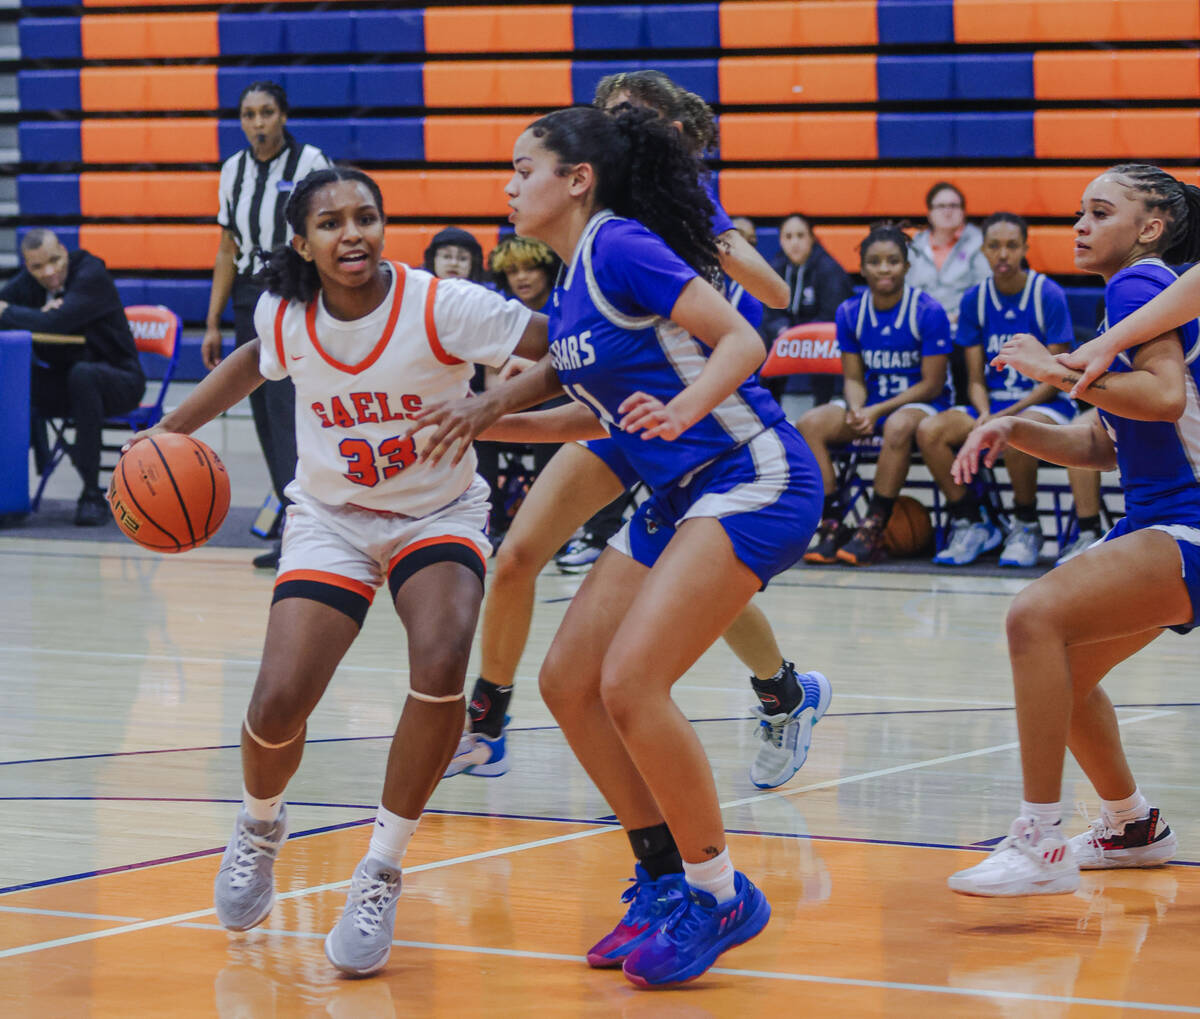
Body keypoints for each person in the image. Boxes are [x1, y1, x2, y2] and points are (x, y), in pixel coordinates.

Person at [128, 167, 548, 971]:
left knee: (442, 659)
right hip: (331, 518)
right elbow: (255, 358)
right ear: (302, 242)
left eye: (365, 217)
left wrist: (492, 406)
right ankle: (258, 821)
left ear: (385, 225)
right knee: (277, 699)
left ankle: (381, 866)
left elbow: (562, 349)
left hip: (435, 513)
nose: (350, 233)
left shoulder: (442, 303)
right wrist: (167, 433)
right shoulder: (287, 315)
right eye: (330, 224)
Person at [480, 103, 823, 987]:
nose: (509, 184)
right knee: (566, 680)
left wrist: (685, 407)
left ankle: (718, 890)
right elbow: (590, 416)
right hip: (682, 491)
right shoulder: (565, 283)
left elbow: (744, 337)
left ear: (577, 179)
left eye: (525, 168)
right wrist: (478, 421)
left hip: (754, 472)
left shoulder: (620, 244)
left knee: (631, 680)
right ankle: (664, 876)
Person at [438, 71, 828, 796]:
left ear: (666, 134)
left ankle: (780, 692)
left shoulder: (660, 219)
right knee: (519, 552)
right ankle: (487, 724)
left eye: (628, 120)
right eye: (605, 116)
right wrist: (482, 418)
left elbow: (770, 301)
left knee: (697, 567)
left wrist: (713, 243)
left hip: (696, 400)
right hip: (625, 405)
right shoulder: (581, 246)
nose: (613, 127)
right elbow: (571, 362)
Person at [947, 163, 1198, 897]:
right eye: (1077, 212)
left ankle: (1039, 839)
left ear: (1150, 227)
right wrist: (1017, 427)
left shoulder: (1137, 284)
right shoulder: (1133, 295)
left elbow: (1161, 395)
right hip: (1159, 517)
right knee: (1068, 677)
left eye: (1099, 211)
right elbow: (1107, 437)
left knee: (1034, 616)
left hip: (1189, 519)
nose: (1080, 225)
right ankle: (1130, 826)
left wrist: (1051, 371)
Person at [203, 81, 331, 569]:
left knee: (288, 413)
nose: (257, 123)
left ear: (283, 115)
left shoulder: (311, 162)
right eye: (249, 114)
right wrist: (212, 320)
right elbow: (226, 249)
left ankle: (310, 527)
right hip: (248, 296)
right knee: (260, 412)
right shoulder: (232, 170)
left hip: (295, 294)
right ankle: (293, 527)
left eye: (266, 113)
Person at [916, 212, 1075, 567]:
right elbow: (974, 378)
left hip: (1046, 403)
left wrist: (1002, 417)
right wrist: (986, 411)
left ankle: (1026, 523)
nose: (1003, 254)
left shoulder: (1047, 293)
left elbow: (1054, 379)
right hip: (992, 404)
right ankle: (973, 520)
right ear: (983, 251)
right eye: (994, 246)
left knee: (1018, 432)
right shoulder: (974, 300)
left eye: (1011, 246)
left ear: (1024, 248)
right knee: (930, 431)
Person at [797, 223, 952, 566]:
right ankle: (833, 521)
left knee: (897, 424)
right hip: (872, 404)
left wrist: (876, 409)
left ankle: (873, 525)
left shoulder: (928, 311)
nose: (884, 268)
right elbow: (853, 377)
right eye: (876, 261)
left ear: (907, 266)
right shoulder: (849, 312)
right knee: (809, 423)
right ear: (863, 267)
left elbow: (932, 383)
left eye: (893, 261)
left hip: (921, 404)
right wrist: (856, 407)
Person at [0, 229, 145, 525]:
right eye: (38, 267)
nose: (49, 272)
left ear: (65, 251)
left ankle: (92, 494)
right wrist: (30, 313)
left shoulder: (92, 273)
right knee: (15, 385)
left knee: (83, 376)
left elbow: (55, 322)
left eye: (54, 260)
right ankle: (9, 497)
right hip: (69, 382)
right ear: (28, 266)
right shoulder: (28, 283)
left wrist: (13, 312)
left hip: (121, 379)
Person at [761, 212, 854, 406]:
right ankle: (770, 410)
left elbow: (832, 314)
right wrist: (782, 330)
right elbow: (770, 313)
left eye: (800, 235)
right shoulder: (775, 267)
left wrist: (800, 335)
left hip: (819, 335)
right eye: (788, 237)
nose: (794, 243)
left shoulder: (829, 269)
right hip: (787, 334)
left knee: (823, 347)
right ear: (780, 240)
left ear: (812, 237)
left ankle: (822, 409)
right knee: (763, 341)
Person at [906, 181, 991, 326]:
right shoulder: (914, 246)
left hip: (965, 326)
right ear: (929, 213)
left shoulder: (979, 243)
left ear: (963, 212)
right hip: (921, 326)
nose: (947, 211)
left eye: (953, 206)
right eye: (941, 206)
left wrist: (960, 316)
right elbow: (906, 291)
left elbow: (985, 291)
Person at [422, 226, 486, 284]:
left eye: (462, 258)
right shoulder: (418, 289)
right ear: (433, 259)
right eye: (446, 256)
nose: (454, 263)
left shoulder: (487, 294)